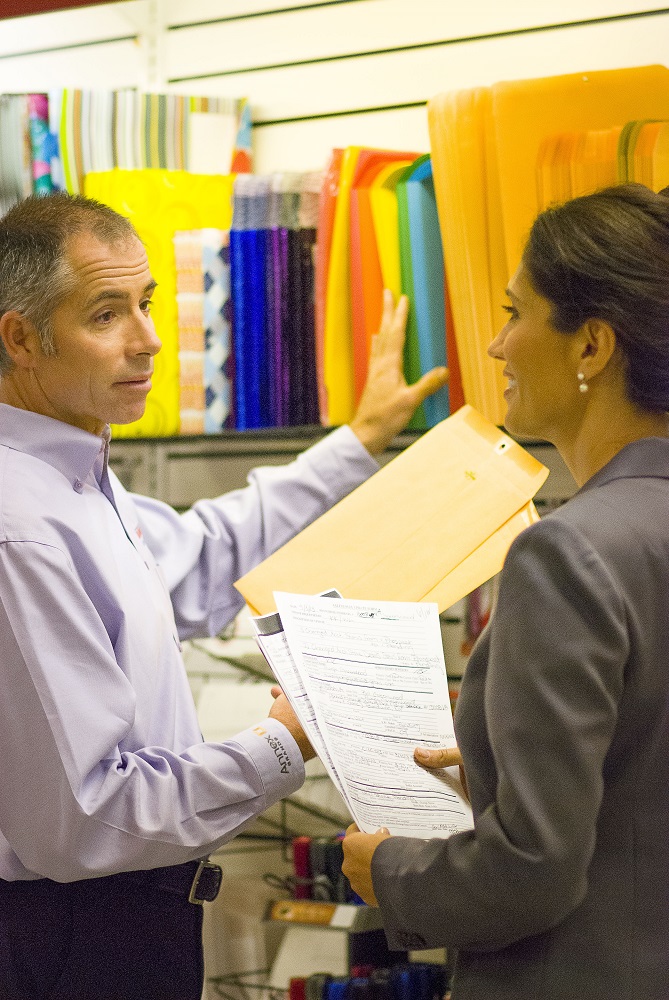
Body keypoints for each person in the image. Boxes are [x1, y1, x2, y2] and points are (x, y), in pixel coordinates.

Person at [0, 192, 448, 1000]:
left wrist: (358, 441)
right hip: (73, 931)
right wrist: (281, 743)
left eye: (146, 304)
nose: (148, 340)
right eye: (106, 314)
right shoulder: (21, 526)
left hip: (121, 922)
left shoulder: (76, 483)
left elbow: (202, 559)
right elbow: (85, 816)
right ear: (21, 339)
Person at [342, 183, 669, 1000]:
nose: (495, 345)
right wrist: (500, 762)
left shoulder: (569, 551)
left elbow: (531, 869)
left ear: (590, 346)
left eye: (514, 312)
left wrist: (391, 871)